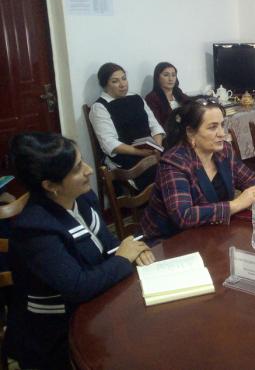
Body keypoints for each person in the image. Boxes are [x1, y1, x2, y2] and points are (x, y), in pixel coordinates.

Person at [5, 132, 154, 369]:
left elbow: (107, 244)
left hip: (95, 308)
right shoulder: (34, 229)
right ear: (50, 186)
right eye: (77, 169)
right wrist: (123, 259)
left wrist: (132, 250)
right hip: (56, 335)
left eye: (82, 161)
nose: (89, 170)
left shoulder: (82, 198)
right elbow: (78, 287)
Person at [141, 98, 255, 240]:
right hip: (168, 241)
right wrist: (237, 204)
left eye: (222, 125)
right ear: (190, 132)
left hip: (210, 232)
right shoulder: (174, 162)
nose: (221, 133)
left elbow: (253, 180)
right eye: (213, 127)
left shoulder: (224, 151)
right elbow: (184, 216)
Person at [89, 62, 165, 190]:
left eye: (124, 78)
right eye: (115, 81)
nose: (122, 84)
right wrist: (140, 153)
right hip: (127, 158)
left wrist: (157, 147)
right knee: (163, 177)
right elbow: (110, 143)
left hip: (151, 152)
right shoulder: (99, 107)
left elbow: (155, 126)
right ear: (105, 84)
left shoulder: (136, 98)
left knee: (177, 165)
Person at [145, 61, 190, 127]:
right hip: (169, 131)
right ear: (157, 78)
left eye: (173, 75)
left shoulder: (178, 92)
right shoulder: (151, 98)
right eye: (166, 75)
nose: (171, 79)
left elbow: (191, 107)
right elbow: (159, 124)